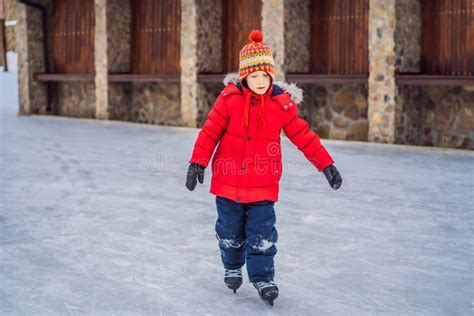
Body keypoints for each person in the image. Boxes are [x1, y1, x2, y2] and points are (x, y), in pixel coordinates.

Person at [185, 30, 342, 307]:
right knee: (230, 232)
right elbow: (210, 131)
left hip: (263, 187)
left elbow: (303, 136)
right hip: (228, 185)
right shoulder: (229, 100)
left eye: (265, 75)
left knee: (262, 235)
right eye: (254, 75)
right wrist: (198, 161)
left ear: (272, 75)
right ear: (244, 76)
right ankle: (232, 267)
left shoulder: (281, 105)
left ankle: (263, 278)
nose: (260, 81)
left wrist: (326, 165)